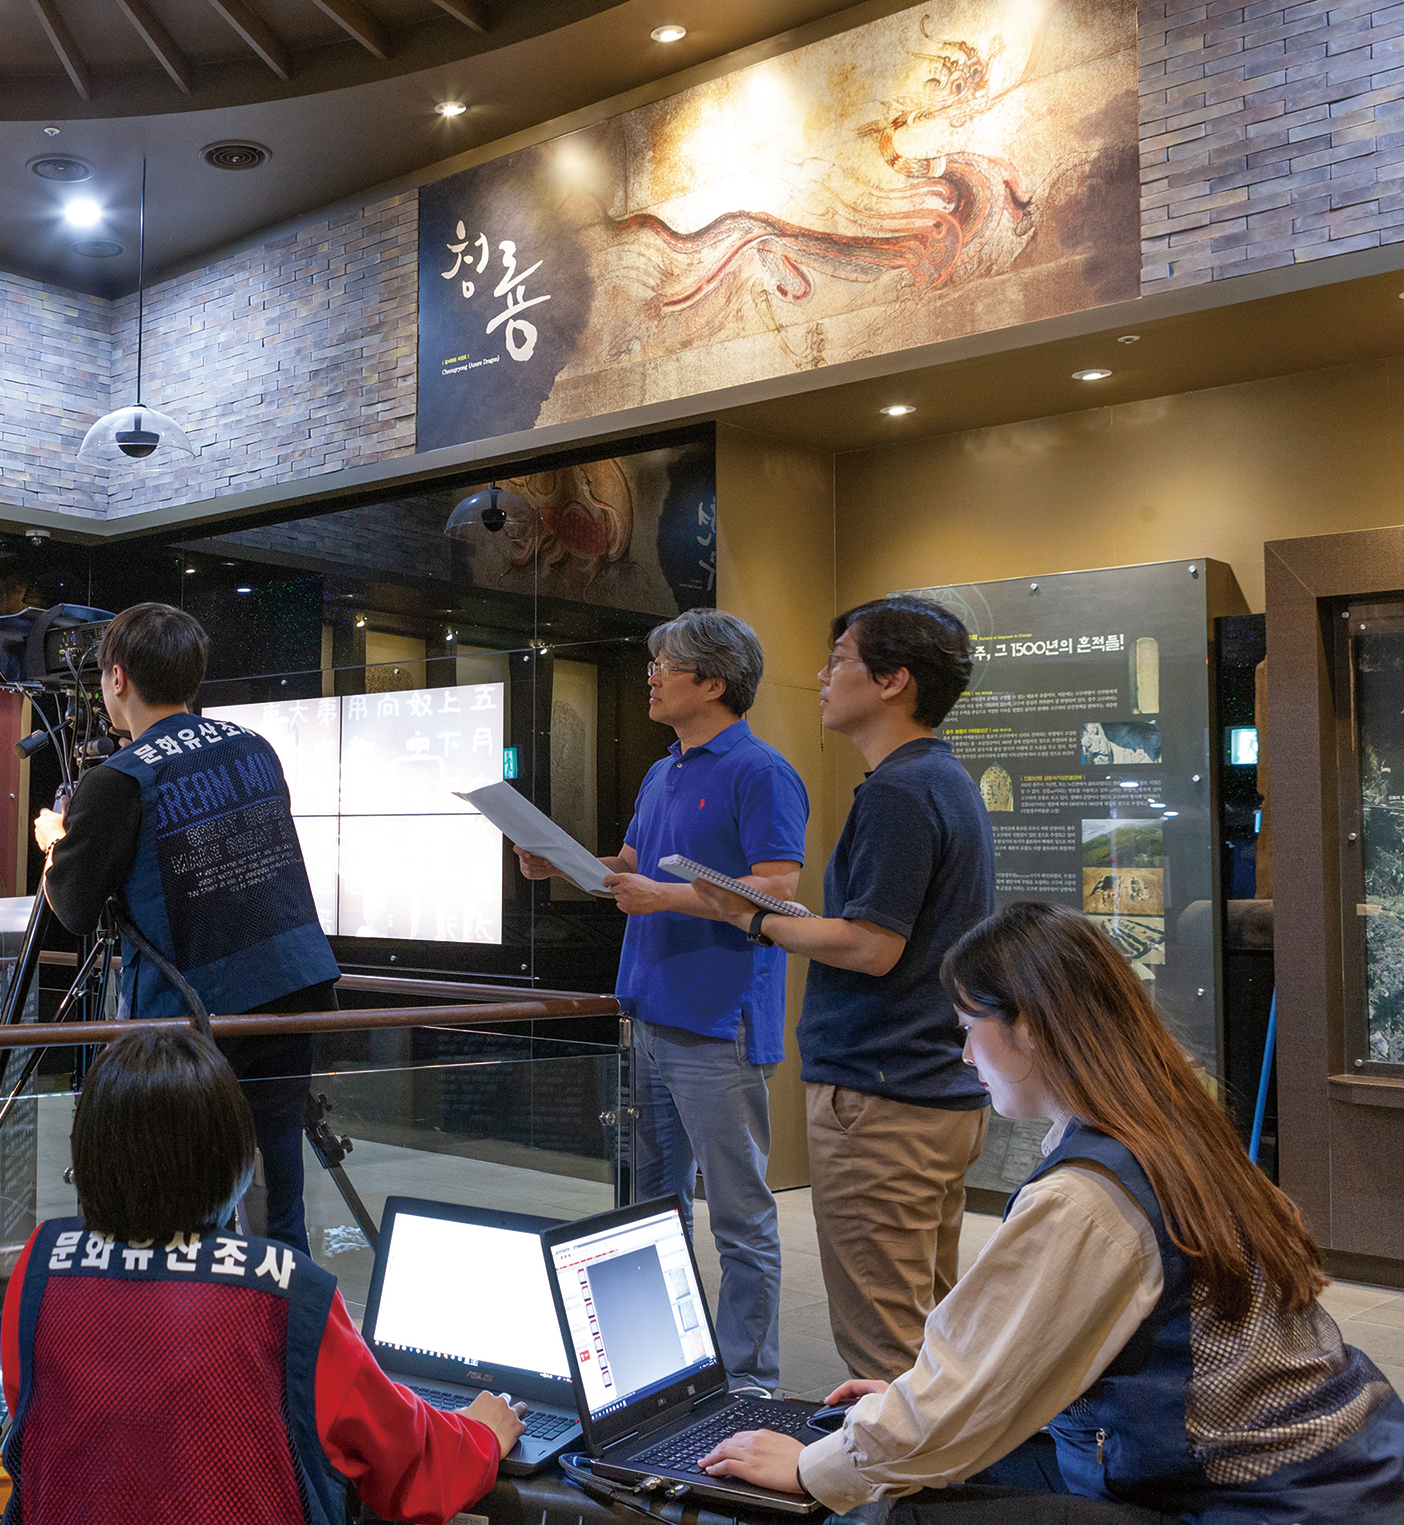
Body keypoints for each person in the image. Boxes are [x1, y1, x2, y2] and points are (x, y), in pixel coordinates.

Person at [697, 902, 1404, 1522]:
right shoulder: (1170, 1127)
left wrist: (810, 1469)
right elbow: (1014, 1365)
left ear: (1028, 1027)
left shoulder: (1087, 1198)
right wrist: (914, 1403)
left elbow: (964, 1397)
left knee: (874, 1505)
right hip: (1345, 1473)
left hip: (1257, 1504)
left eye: (970, 1025)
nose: (966, 1052)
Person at [0, 1028, 522, 1523]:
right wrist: (478, 1437)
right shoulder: (288, 1292)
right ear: (233, 1160)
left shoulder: (42, 1268)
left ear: (86, 1154)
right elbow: (404, 1461)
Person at [689, 594, 992, 1381]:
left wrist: (753, 919)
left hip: (882, 1096)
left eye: (841, 660)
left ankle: (891, 1502)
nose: (822, 677)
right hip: (930, 1087)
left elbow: (872, 946)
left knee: (883, 1353)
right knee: (932, 1339)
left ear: (893, 681)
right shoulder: (942, 778)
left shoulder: (899, 789)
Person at [512, 609, 806, 1395]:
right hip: (647, 1009)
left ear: (712, 682)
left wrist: (665, 897)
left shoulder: (761, 771)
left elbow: (779, 893)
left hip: (717, 1020)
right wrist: (565, 867)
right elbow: (632, 867)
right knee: (649, 1204)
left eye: (664, 667)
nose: (651, 677)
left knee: (738, 1216)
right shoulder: (662, 767)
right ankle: (661, 1365)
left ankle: (749, 1381)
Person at [34, 602, 340, 1250]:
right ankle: (281, 1332)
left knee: (176, 1200)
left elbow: (74, 908)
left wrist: (56, 844)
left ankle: (192, 1331)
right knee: (278, 1202)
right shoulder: (253, 748)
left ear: (117, 679)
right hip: (293, 997)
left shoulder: (119, 780)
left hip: (195, 1022)